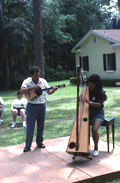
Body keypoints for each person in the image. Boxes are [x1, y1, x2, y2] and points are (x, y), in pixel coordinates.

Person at [20, 66, 58, 152]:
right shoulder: (27, 81)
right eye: (35, 76)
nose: (37, 77)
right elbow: (21, 91)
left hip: (41, 105)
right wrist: (33, 88)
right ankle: (28, 145)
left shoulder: (43, 81)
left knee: (41, 125)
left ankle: (40, 142)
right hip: (31, 106)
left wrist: (54, 90)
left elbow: (49, 92)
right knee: (30, 126)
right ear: (31, 75)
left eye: (38, 75)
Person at [81, 74, 107, 157]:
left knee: (94, 129)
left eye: (92, 83)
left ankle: (96, 148)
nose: (90, 85)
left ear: (97, 83)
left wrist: (89, 102)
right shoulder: (87, 90)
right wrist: (80, 98)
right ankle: (84, 147)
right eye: (89, 83)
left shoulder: (101, 93)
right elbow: (82, 98)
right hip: (88, 112)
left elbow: (98, 105)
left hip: (98, 113)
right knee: (82, 127)